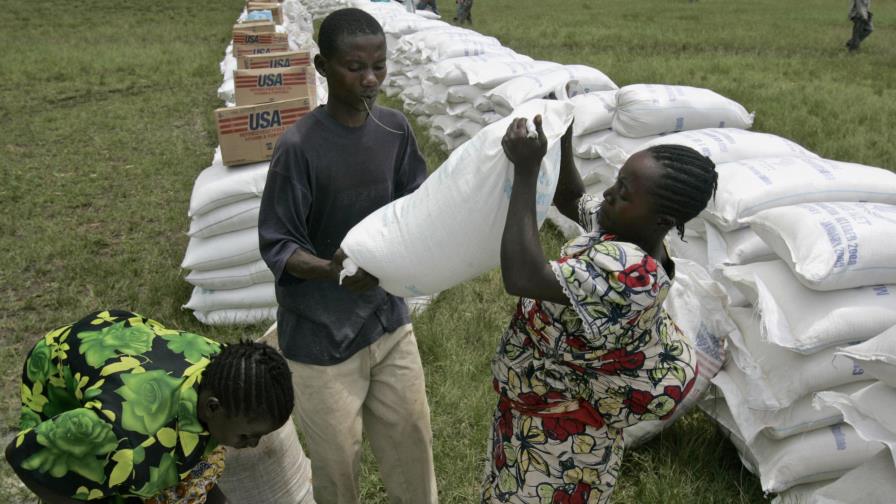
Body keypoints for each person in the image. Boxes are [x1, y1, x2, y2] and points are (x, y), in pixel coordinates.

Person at [480, 116, 717, 503]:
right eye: (616, 182)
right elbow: (571, 197)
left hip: (560, 444)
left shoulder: (629, 274)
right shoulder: (620, 227)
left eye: (623, 193)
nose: (607, 195)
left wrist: (527, 171)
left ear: (662, 220)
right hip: (535, 419)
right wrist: (563, 132)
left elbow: (522, 276)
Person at [257, 8, 436, 504]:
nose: (371, 78)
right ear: (322, 66)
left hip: (387, 322)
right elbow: (279, 244)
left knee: (412, 442)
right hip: (318, 338)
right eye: (355, 67)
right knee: (338, 466)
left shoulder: (395, 130)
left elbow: (416, 207)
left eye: (379, 65)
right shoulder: (299, 148)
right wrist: (334, 271)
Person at [5, 309, 294, 504]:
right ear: (212, 407)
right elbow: (23, 458)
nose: (254, 445)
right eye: (247, 435)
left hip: (124, 339)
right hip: (61, 367)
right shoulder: (120, 433)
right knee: (115, 479)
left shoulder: (224, 367)